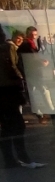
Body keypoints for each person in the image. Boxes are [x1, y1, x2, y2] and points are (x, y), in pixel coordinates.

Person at [0, 32, 43, 169]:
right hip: (7, 92)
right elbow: (12, 67)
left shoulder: (6, 47)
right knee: (17, 126)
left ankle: (11, 159)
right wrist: (20, 79)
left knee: (8, 128)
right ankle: (21, 157)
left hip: (5, 92)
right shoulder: (7, 48)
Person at [18, 27, 53, 125]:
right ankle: (49, 111)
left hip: (31, 73)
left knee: (35, 93)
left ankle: (41, 113)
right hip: (32, 73)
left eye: (35, 35)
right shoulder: (27, 44)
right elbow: (31, 59)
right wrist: (41, 63)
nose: (34, 37)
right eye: (32, 35)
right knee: (43, 91)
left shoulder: (30, 44)